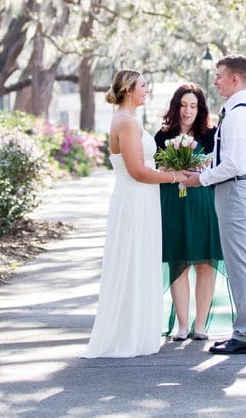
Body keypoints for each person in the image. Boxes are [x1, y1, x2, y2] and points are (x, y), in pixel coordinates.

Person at [82, 69, 183, 358]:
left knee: (139, 260)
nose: (147, 90)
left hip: (143, 199)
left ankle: (138, 330)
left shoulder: (130, 121)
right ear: (129, 90)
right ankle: (127, 335)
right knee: (132, 260)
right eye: (143, 85)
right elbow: (137, 172)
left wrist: (168, 171)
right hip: (134, 200)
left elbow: (143, 167)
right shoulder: (125, 123)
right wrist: (174, 177)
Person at [184, 55, 246, 355]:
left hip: (235, 192)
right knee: (238, 263)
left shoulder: (240, 114)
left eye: (219, 76)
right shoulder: (235, 111)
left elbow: (233, 164)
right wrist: (205, 169)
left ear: (234, 79)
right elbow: (229, 159)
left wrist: (200, 180)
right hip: (232, 190)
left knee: (239, 265)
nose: (215, 81)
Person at [154, 83, 230, 342]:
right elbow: (154, 169)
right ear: (176, 107)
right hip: (173, 203)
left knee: (205, 263)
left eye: (193, 106)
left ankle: (201, 326)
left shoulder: (211, 134)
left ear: (201, 109)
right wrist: (172, 172)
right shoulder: (163, 136)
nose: (188, 111)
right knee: (180, 262)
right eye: (184, 105)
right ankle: (182, 326)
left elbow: (221, 165)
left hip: (204, 203)